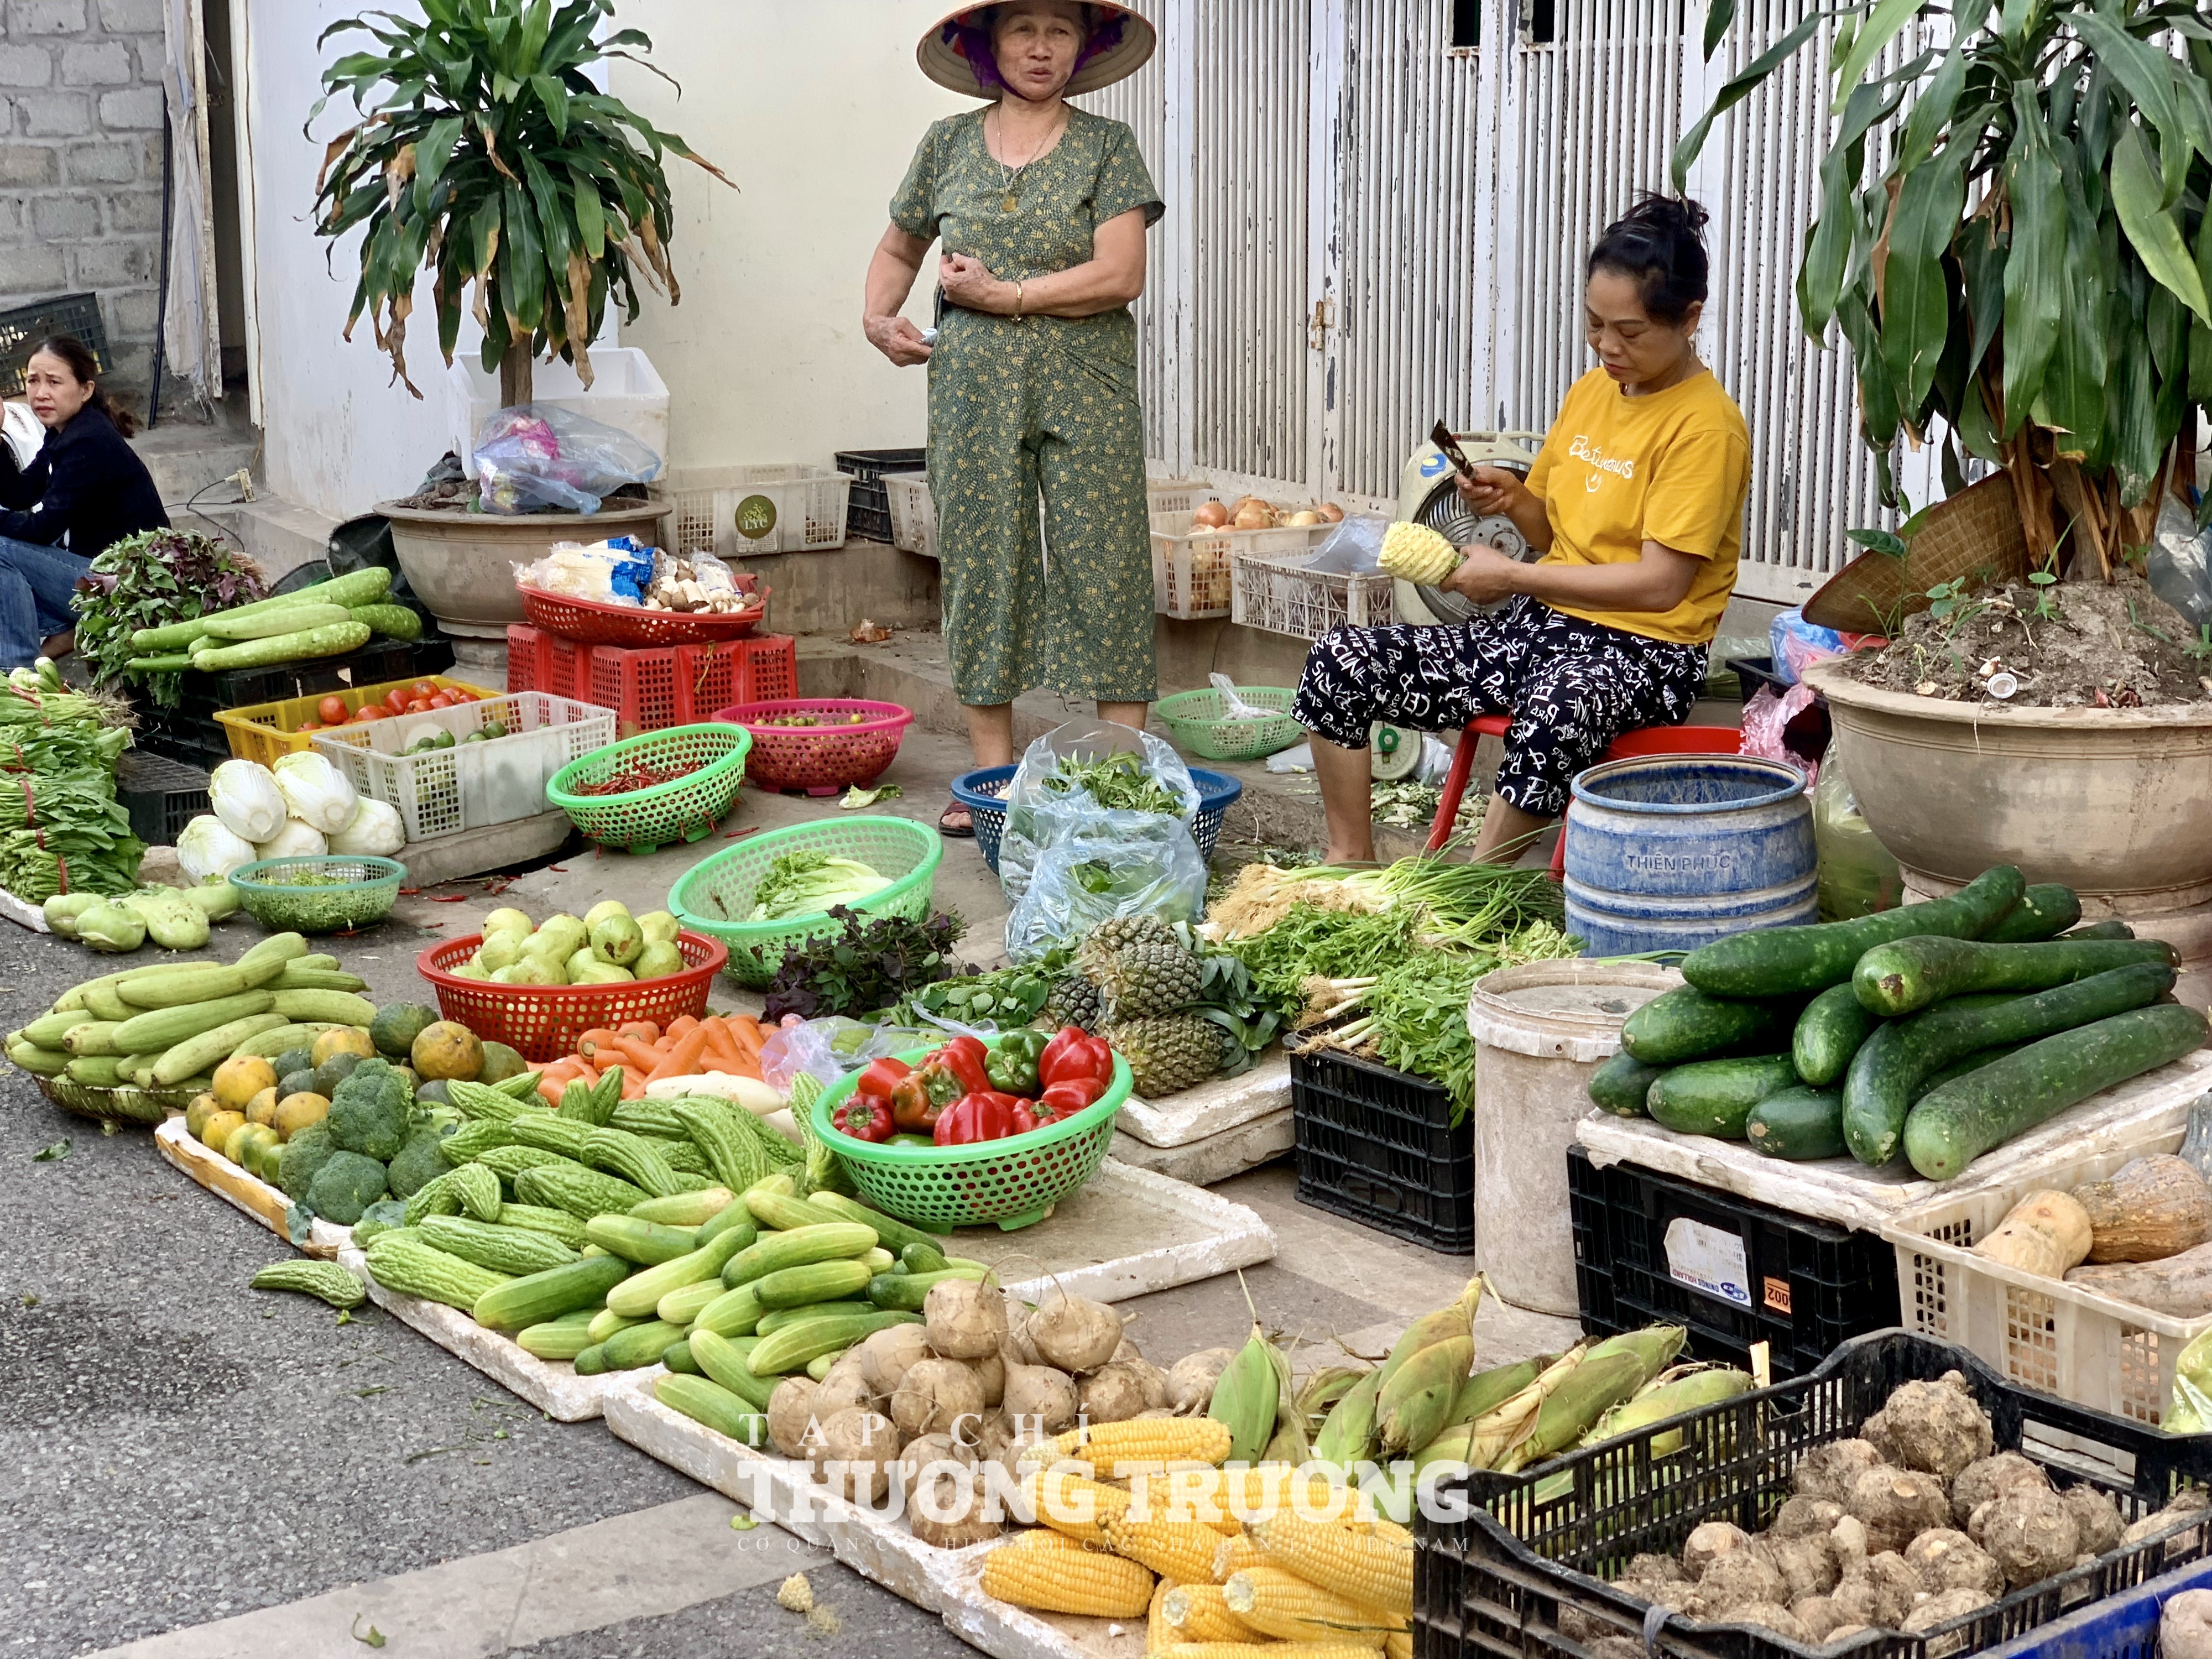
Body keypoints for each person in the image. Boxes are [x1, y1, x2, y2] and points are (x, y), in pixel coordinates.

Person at [1294, 196, 1750, 865]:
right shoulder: (1593, 390)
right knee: (1342, 660)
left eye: (1629, 331)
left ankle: (1469, 891)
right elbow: (1555, 532)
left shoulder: (1706, 428)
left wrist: (1510, 576)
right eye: (1594, 325)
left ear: (1688, 318)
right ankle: (1351, 863)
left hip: (1645, 653)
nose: (1607, 347)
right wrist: (1514, 503)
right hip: (1541, 628)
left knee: (1558, 706)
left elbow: (1660, 586)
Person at [863, 1, 1163, 836]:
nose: (1041, 47)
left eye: (1060, 30)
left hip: (1087, 376)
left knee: (1104, 549)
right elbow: (899, 248)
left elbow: (1120, 272)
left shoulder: (1108, 146)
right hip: (972, 385)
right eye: (1023, 28)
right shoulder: (947, 144)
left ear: (1085, 45)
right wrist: (879, 318)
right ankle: (993, 777)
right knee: (981, 552)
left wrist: (1010, 296)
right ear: (989, 45)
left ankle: (1117, 777)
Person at [0, 335, 167, 668]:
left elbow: (43, 529)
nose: (40, 393)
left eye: (54, 382)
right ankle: (64, 634)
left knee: (2, 550)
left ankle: (14, 668)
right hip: (99, 573)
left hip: (130, 589)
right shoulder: (63, 430)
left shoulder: (87, 442)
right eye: (33, 381)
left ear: (86, 390)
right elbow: (20, 494)